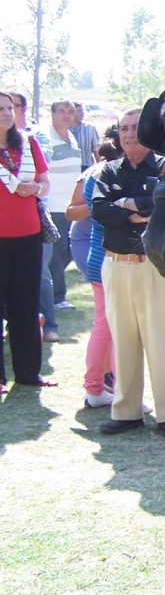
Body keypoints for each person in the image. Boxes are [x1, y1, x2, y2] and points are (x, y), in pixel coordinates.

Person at [92, 109, 165, 437]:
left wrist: (123, 203)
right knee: (123, 340)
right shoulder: (108, 171)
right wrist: (136, 209)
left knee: (160, 341)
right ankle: (126, 411)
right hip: (116, 265)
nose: (128, 134)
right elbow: (98, 209)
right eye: (123, 128)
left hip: (155, 267)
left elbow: (163, 205)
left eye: (134, 127)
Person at [0, 91, 55, 392]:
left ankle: (28, 373)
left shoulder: (29, 143)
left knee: (26, 305)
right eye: (0, 108)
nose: (7, 113)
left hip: (28, 235)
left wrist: (35, 187)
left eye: (9, 107)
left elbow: (45, 182)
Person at [65, 129, 122, 407]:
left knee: (108, 326)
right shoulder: (97, 175)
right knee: (109, 326)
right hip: (104, 256)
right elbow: (73, 211)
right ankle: (101, 386)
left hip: (102, 255)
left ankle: (102, 384)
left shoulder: (98, 175)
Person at [46, 99, 81, 312]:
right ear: (53, 114)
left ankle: (51, 290)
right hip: (54, 206)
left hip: (72, 206)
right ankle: (57, 298)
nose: (66, 115)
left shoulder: (72, 138)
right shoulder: (46, 138)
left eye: (70, 111)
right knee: (57, 253)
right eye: (61, 111)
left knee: (70, 250)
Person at [71, 101, 100, 171]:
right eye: (79, 111)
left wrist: (100, 167)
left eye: (82, 110)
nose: (82, 113)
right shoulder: (65, 129)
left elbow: (96, 149)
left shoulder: (90, 128)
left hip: (86, 167)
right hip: (70, 167)